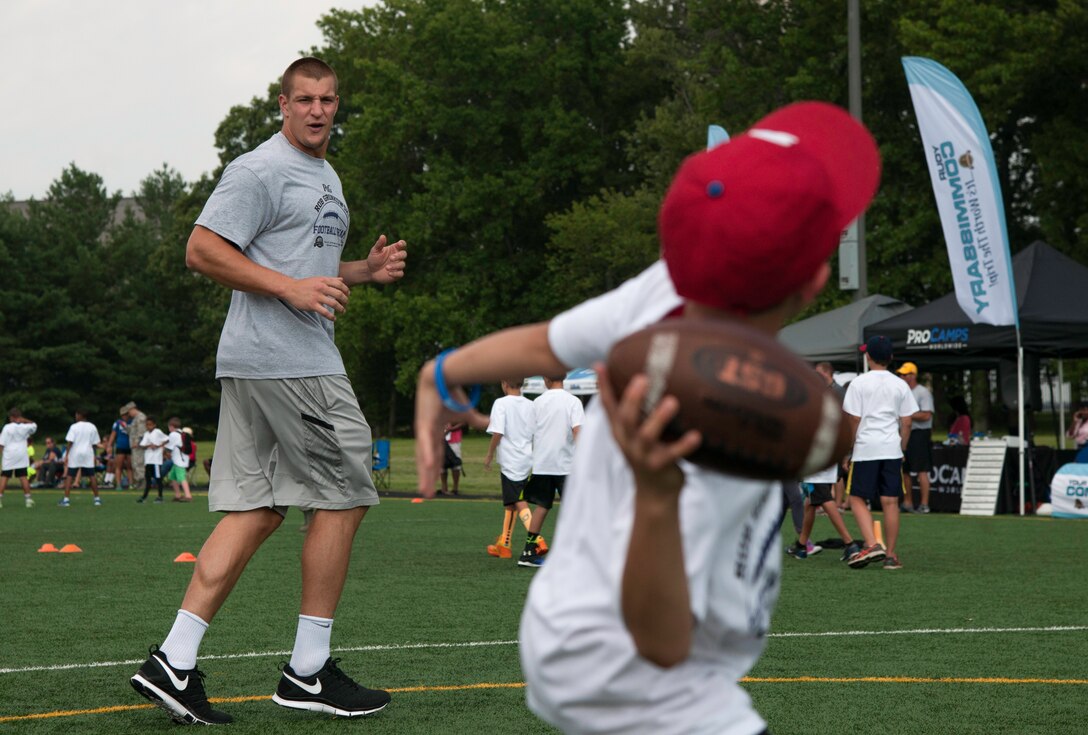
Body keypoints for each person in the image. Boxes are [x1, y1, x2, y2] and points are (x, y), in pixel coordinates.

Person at [414, 101, 880, 733]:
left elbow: (547, 342)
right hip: (639, 678)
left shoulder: (665, 290)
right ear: (817, 280)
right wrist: (658, 500)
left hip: (568, 624)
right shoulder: (720, 429)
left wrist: (440, 372)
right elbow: (661, 641)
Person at [130, 57, 406, 725]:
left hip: (262, 362)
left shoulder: (325, 174)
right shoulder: (259, 168)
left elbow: (302, 266)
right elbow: (201, 249)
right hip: (289, 361)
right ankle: (308, 671)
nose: (318, 110)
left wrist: (361, 272)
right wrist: (289, 289)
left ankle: (173, 659)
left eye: (329, 99)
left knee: (259, 509)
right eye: (305, 99)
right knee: (345, 494)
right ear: (281, 103)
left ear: (338, 104)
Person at [843, 336, 918, 571]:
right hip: (891, 449)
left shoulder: (858, 383)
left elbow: (853, 418)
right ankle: (891, 556)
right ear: (891, 358)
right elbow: (907, 422)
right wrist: (902, 448)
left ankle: (873, 544)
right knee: (890, 502)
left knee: (856, 498)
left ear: (868, 356)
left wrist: (849, 447)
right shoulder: (901, 384)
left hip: (866, 447)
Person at [517, 375, 584, 568]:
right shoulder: (573, 401)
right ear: (564, 377)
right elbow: (578, 431)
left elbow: (529, 432)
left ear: (546, 379)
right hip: (566, 465)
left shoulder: (537, 402)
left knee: (542, 506)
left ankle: (528, 552)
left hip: (543, 464)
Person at [483, 380, 539, 559]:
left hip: (510, 459)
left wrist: (490, 454)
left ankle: (537, 540)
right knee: (510, 502)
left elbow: (497, 432)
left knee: (517, 499)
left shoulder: (501, 403)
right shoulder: (531, 404)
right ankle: (504, 544)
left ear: (505, 383)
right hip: (526, 457)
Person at [896, 361, 934, 513]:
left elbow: (926, 415)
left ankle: (924, 504)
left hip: (919, 434)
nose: (902, 377)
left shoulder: (922, 392)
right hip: (904, 433)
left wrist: (908, 414)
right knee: (905, 470)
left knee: (921, 470)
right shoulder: (901, 392)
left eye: (905, 374)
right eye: (900, 374)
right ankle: (908, 503)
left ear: (913, 376)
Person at [60, 410, 102, 507]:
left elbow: (70, 442)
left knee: (70, 475)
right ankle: (97, 499)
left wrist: (66, 455)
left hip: (75, 453)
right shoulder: (92, 426)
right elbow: (95, 443)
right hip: (88, 453)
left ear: (79, 415)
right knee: (92, 475)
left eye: (76, 414)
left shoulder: (74, 427)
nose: (75, 416)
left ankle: (66, 500)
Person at [0, 408, 38, 508]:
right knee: (23, 476)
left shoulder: (7, 428)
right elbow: (34, 425)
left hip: (9, 454)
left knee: (5, 476)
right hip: (21, 453)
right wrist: (25, 420)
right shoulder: (24, 427)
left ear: (11, 417)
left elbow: (2, 443)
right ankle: (28, 499)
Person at [138, 416, 168, 503]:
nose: (148, 426)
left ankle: (160, 496)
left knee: (158, 479)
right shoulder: (146, 434)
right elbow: (142, 445)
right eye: (147, 425)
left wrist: (159, 446)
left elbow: (166, 439)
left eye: (150, 425)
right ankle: (144, 497)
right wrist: (149, 446)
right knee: (148, 479)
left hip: (156, 460)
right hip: (148, 460)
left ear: (154, 425)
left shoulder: (157, 432)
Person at [121, 402, 149, 492]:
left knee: (139, 463)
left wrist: (137, 442)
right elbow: (133, 431)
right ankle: (139, 481)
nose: (128, 414)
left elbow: (141, 432)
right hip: (134, 446)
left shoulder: (141, 417)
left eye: (129, 412)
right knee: (135, 463)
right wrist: (126, 427)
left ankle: (143, 482)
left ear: (133, 409)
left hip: (138, 446)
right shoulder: (135, 419)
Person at [165, 418, 194, 502]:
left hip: (179, 460)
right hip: (182, 459)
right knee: (172, 476)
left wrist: (163, 450)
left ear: (171, 426)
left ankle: (188, 495)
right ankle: (177, 495)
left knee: (181, 477)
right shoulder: (182, 433)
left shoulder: (173, 434)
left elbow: (169, 448)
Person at [106, 412, 134, 489]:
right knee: (118, 466)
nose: (124, 416)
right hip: (120, 446)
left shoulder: (132, 422)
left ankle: (131, 483)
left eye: (125, 414)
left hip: (129, 446)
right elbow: (113, 434)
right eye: (123, 415)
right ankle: (118, 484)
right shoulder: (117, 423)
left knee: (130, 466)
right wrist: (109, 445)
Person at [440, 421, 464, 495]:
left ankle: (455, 489)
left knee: (456, 464)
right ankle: (444, 488)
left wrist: (451, 429)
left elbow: (463, 421)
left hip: (454, 440)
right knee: (441, 464)